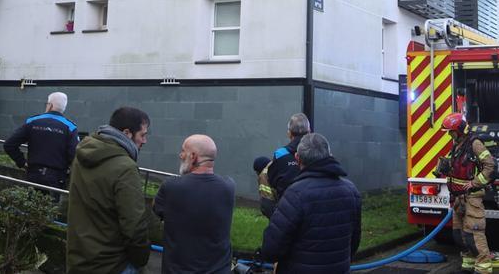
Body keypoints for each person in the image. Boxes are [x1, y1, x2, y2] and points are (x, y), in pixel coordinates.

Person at [66, 106, 154, 274]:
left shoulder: (80, 156)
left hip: (79, 258)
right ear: (127, 133)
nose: (145, 141)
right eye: (143, 135)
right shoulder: (125, 167)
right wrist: (141, 260)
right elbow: (134, 225)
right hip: (113, 264)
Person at [260, 132, 361, 273]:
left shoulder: (295, 194)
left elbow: (271, 249)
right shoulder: (352, 191)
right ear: (330, 155)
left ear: (298, 159)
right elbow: (354, 242)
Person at [152, 134, 235, 274]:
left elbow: (157, 209)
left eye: (183, 151)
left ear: (193, 156)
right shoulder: (229, 186)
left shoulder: (172, 187)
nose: (180, 155)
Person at [436, 112, 496, 273]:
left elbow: (490, 166)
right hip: (457, 198)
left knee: (473, 234)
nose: (449, 134)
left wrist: (474, 183)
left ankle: (483, 267)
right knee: (459, 235)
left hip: (471, 197)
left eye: (451, 131)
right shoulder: (457, 143)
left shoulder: (475, 144)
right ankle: (469, 264)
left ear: (460, 129)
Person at [2, 91, 79, 191]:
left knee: (30, 204)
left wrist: (22, 162)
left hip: (33, 173)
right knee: (51, 205)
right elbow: (74, 155)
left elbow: (9, 144)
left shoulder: (32, 121)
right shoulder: (71, 127)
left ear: (50, 105)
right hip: (56, 177)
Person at [269, 113, 310, 204]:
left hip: (285, 204)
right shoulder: (317, 153)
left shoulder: (280, 154)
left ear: (289, 133)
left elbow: (272, 181)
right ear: (309, 132)